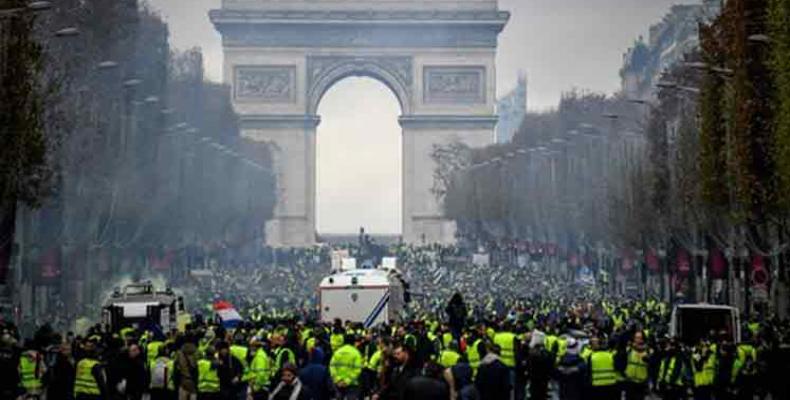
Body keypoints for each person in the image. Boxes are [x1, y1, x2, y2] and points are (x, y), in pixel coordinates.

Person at [329, 335, 363, 400]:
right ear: (353, 342)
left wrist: (338, 379)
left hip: (338, 383)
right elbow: (357, 370)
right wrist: (347, 381)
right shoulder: (356, 353)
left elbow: (332, 367)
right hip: (352, 383)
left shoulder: (337, 352)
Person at [586, 336, 619, 400]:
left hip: (597, 386)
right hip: (611, 385)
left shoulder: (592, 356)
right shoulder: (611, 355)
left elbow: (588, 373)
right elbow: (617, 369)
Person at [526, 332, 555, 400]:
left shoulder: (532, 353)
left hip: (534, 378)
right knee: (542, 394)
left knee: (534, 394)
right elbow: (550, 366)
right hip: (544, 378)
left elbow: (529, 365)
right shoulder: (547, 353)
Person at [623, 331, 650, 400]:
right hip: (629, 382)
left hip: (641, 383)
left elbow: (652, 365)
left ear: (643, 339)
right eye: (636, 337)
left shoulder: (648, 351)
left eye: (640, 338)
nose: (638, 340)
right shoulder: (629, 349)